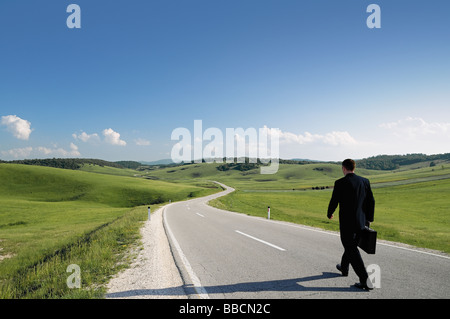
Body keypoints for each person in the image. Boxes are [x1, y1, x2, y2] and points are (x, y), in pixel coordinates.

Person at [327, 159, 375, 290]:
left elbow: (334, 200)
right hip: (361, 221)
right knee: (351, 245)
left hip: (347, 223)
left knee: (350, 247)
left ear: (343, 168)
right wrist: (369, 218)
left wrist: (330, 213)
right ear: (354, 168)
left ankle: (365, 280)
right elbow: (371, 201)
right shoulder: (364, 181)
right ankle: (344, 267)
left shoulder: (340, 183)